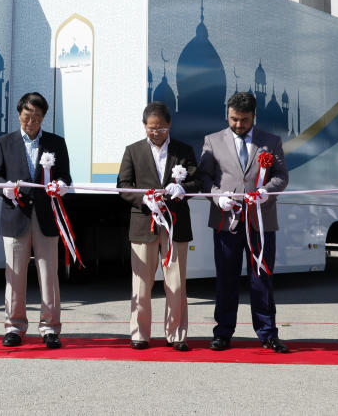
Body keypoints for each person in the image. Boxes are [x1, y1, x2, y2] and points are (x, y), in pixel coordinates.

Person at [196, 91, 290, 353]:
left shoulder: (271, 141)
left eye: (244, 120)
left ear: (254, 116)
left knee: (261, 278)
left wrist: (265, 192)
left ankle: (268, 333)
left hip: (261, 221)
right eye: (233, 119)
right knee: (226, 279)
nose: (238, 125)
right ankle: (223, 333)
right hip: (227, 222)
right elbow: (203, 177)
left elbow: (281, 176)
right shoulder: (212, 141)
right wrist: (217, 197)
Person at [0, 92, 71, 349]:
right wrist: (5, 188)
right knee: (14, 276)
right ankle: (14, 326)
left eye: (37, 116)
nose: (31, 121)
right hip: (16, 216)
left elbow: (66, 176)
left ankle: (50, 328)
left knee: (49, 275)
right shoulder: (5, 142)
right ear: (18, 113)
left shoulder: (56, 143)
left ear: (43, 117)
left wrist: (60, 185)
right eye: (27, 115)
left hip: (46, 217)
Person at [117, 102, 199, 351]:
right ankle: (139, 333)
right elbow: (123, 184)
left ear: (169, 124)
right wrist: (143, 199)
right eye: (151, 129)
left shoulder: (183, 150)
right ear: (144, 126)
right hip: (144, 223)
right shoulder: (133, 151)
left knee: (176, 283)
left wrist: (183, 189)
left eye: (161, 128)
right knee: (142, 283)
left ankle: (176, 334)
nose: (156, 133)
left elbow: (197, 181)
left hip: (176, 225)